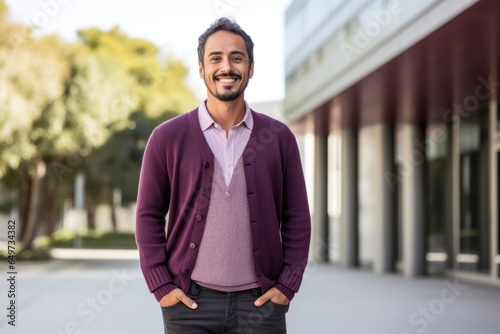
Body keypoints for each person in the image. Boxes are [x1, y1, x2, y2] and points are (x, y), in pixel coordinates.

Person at [135, 17, 311, 334]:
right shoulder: (167, 138)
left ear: (251, 68)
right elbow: (148, 214)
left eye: (236, 58)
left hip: (261, 305)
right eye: (215, 58)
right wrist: (161, 285)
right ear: (202, 69)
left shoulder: (279, 137)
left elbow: (297, 215)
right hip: (189, 305)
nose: (226, 67)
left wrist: (287, 285)